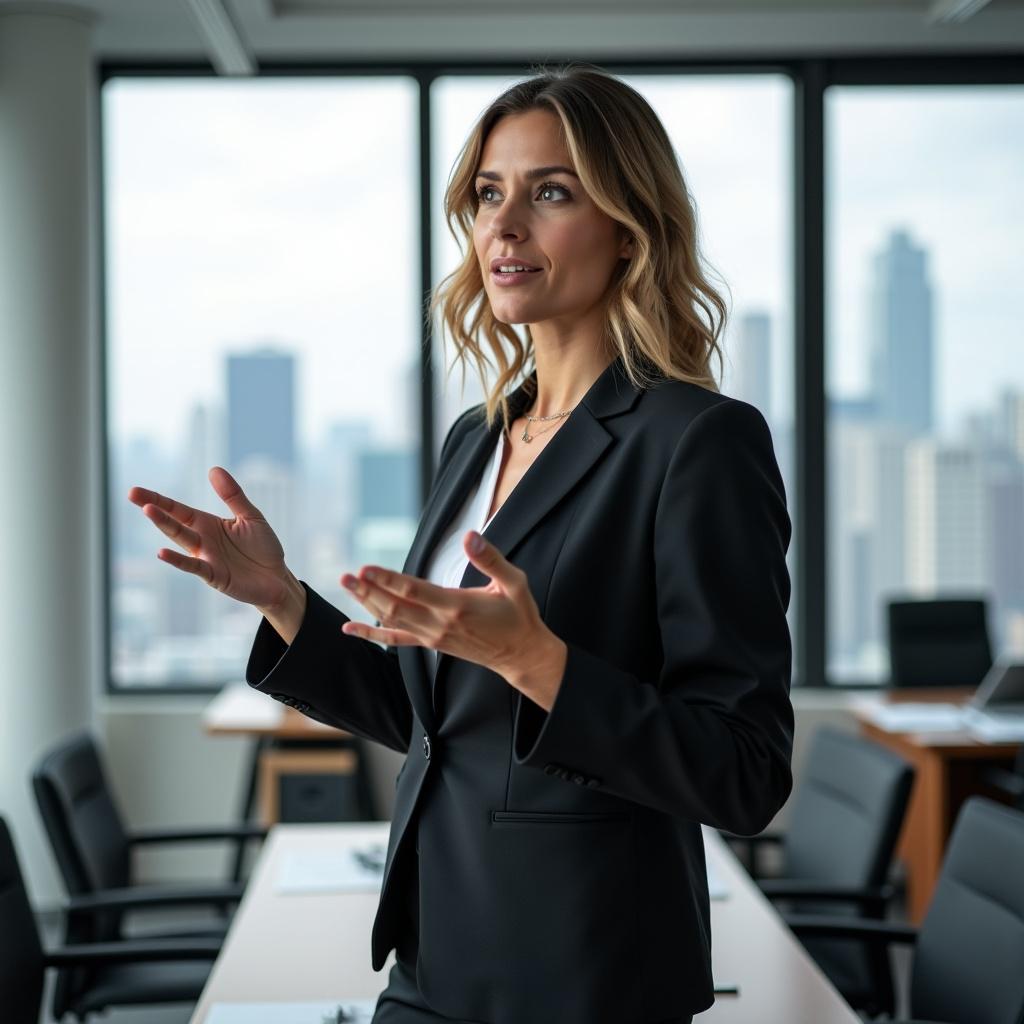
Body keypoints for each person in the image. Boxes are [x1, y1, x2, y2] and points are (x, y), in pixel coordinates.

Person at [128, 63, 794, 1024]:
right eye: (488, 193)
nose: (504, 226)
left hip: (583, 979)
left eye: (550, 192)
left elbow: (745, 771)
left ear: (628, 227)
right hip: (430, 960)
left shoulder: (697, 440)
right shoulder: (476, 438)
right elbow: (439, 724)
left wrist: (542, 662)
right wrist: (283, 600)